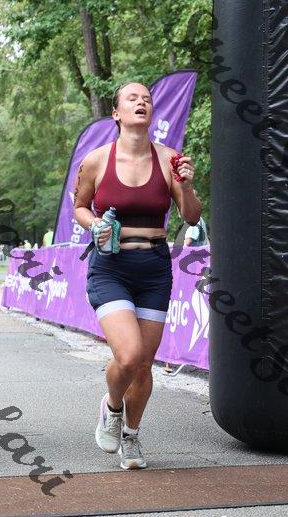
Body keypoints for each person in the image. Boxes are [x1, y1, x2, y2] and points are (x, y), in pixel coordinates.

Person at [73, 81, 201, 470]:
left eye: (147, 98)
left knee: (144, 364)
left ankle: (130, 435)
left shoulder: (170, 159)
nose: (141, 102)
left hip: (154, 268)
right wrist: (95, 224)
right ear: (117, 113)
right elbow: (80, 206)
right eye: (132, 98)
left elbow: (191, 216)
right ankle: (112, 407)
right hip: (110, 266)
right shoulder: (96, 160)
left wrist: (187, 186)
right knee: (128, 356)